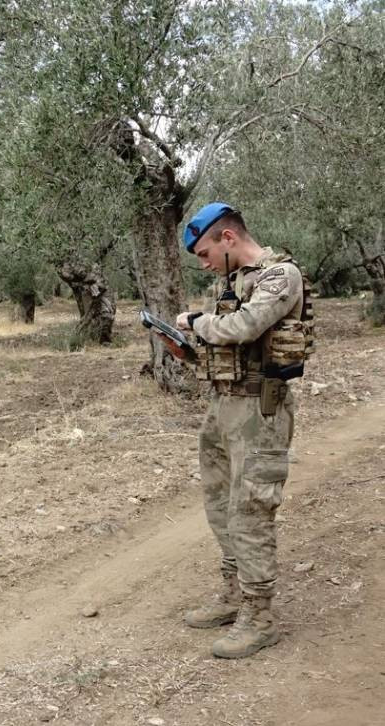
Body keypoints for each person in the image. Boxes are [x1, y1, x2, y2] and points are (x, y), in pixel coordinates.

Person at [173, 202, 313, 659]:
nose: (204, 262)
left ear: (228, 238)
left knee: (251, 508)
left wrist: (198, 323)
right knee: (220, 503)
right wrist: (186, 346)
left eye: (205, 251)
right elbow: (228, 345)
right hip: (225, 404)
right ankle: (234, 593)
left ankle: (261, 614)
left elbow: (246, 325)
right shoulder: (232, 282)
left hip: (261, 411)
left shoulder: (280, 275)